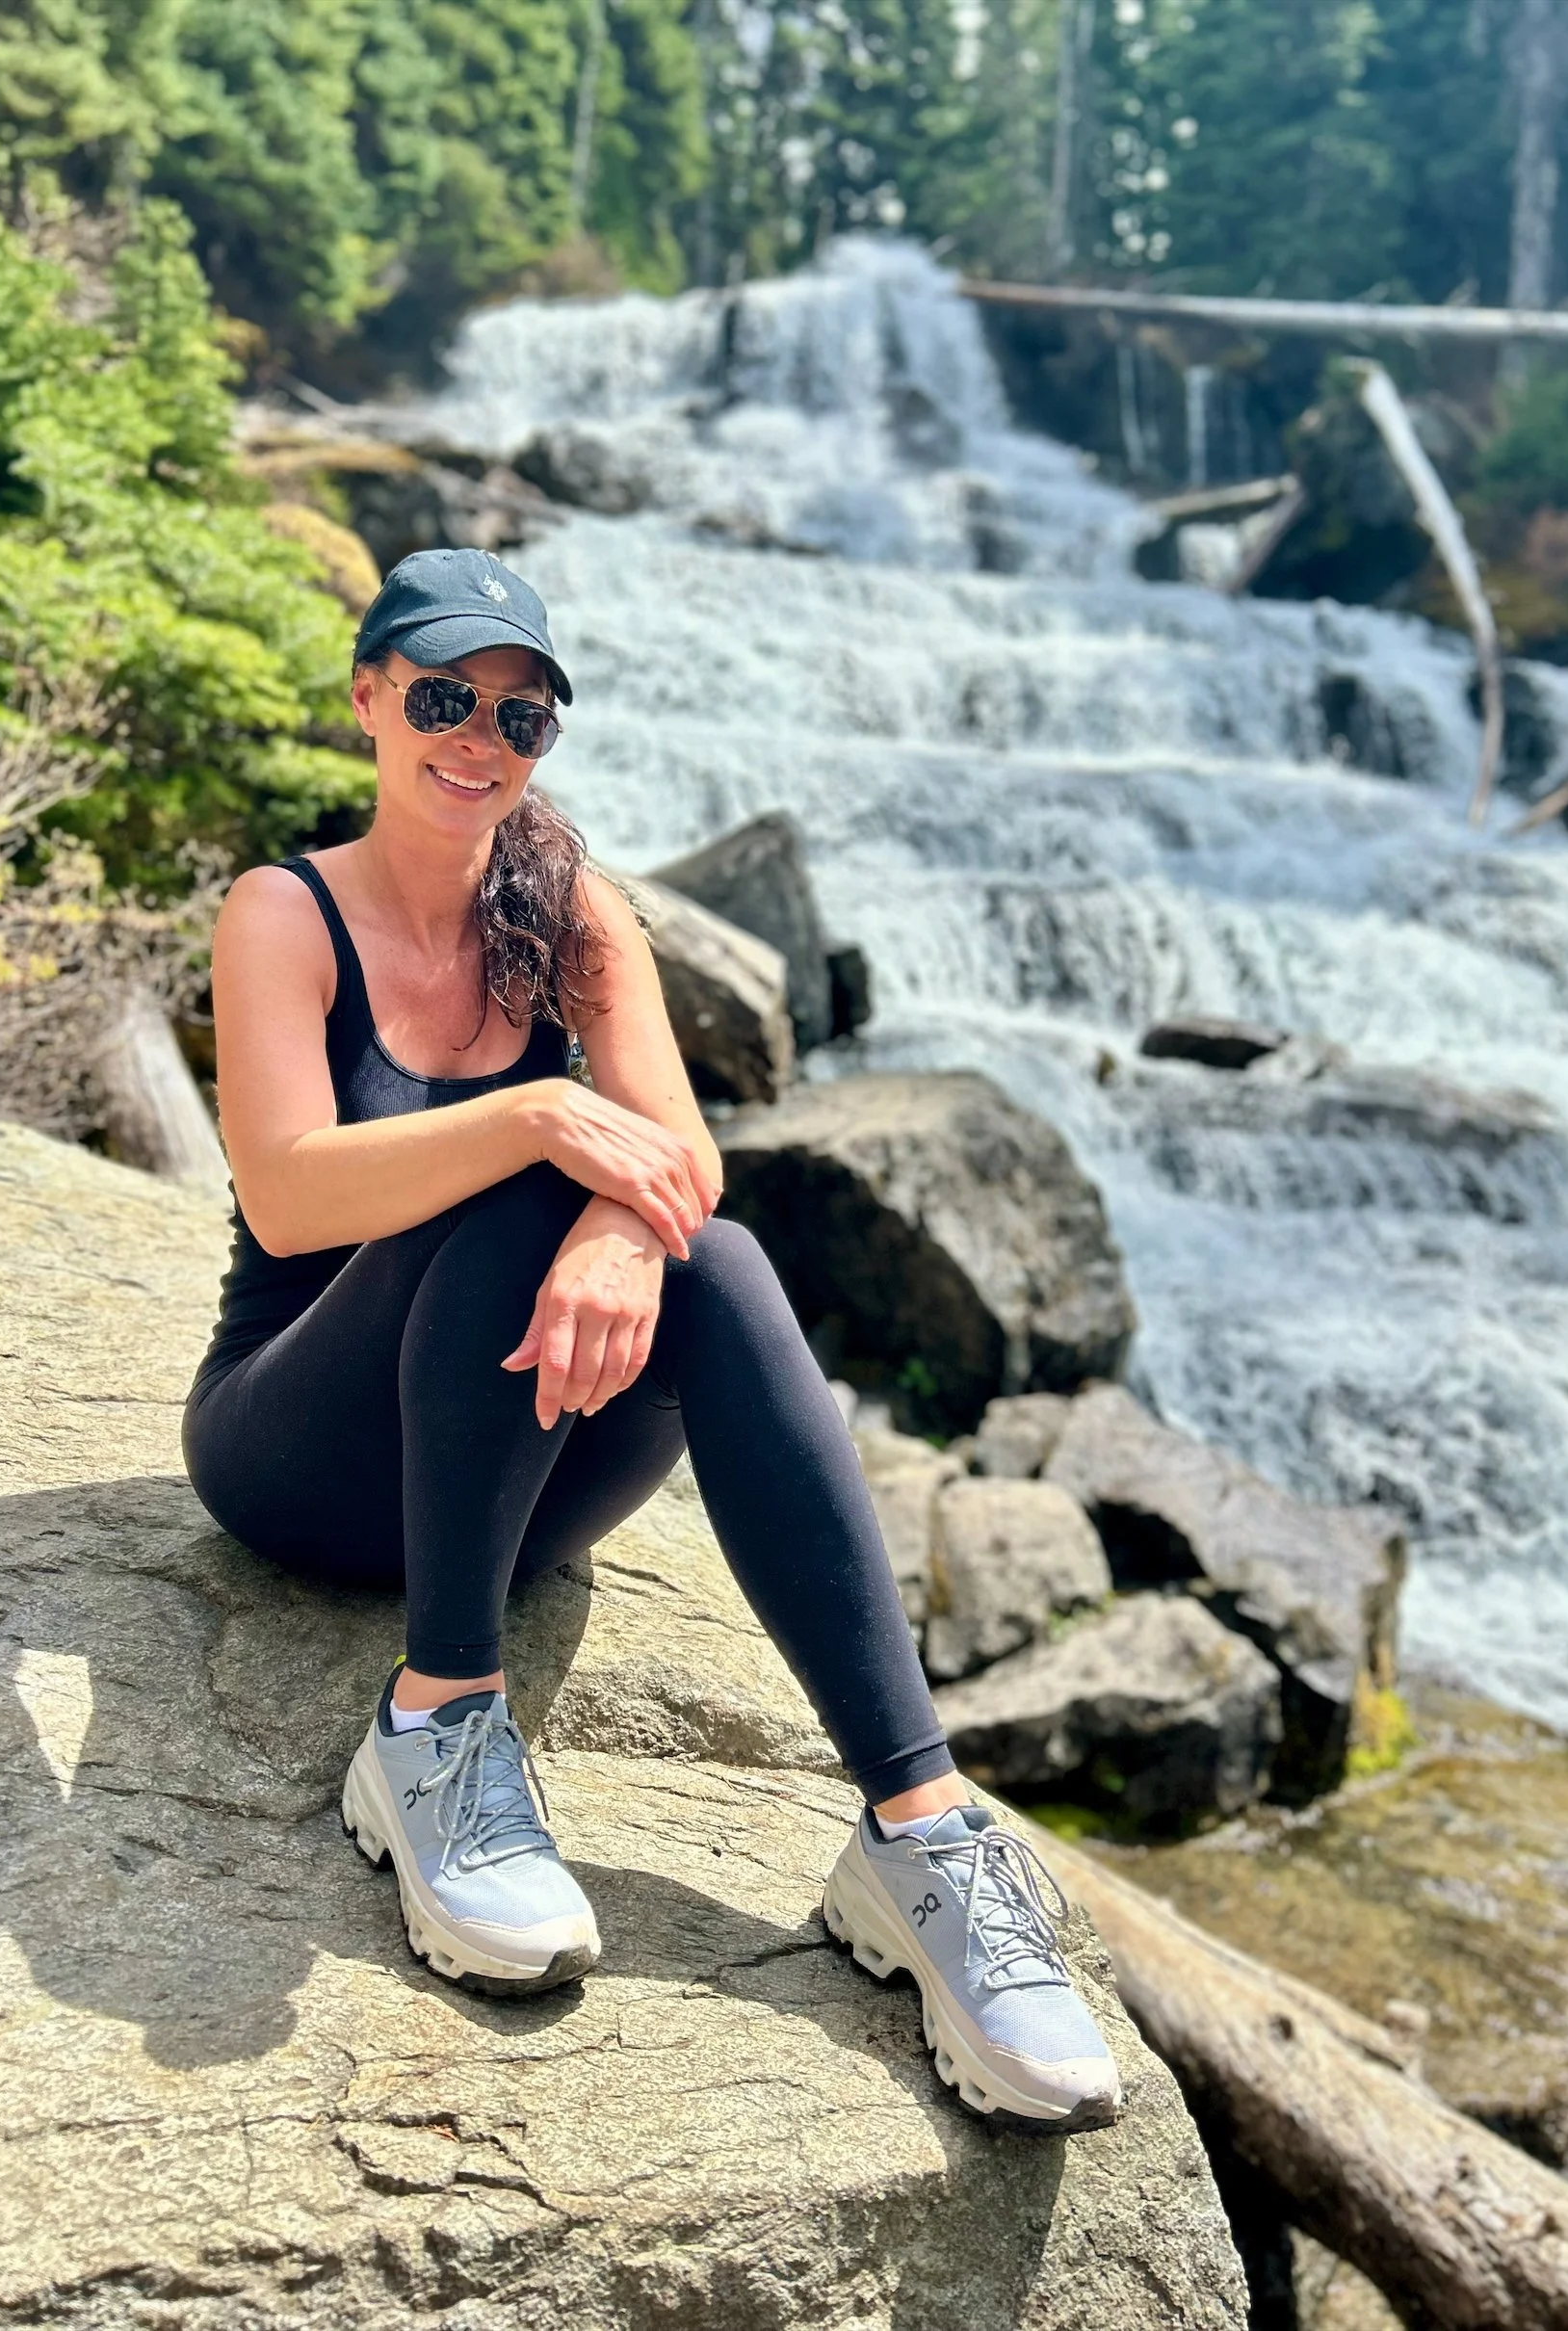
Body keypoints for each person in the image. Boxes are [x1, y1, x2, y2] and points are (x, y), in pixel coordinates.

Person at [183, 546, 1121, 2135]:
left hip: (513, 1466)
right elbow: (285, 1199)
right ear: (367, 698)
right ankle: (434, 1731)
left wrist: (623, 1221)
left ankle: (920, 1831)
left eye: (521, 716)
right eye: (440, 697)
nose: (478, 738)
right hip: (304, 1447)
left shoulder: (573, 911)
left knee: (720, 1254)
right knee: (513, 1190)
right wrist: (547, 1118)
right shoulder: (286, 912)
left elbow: (684, 1160)